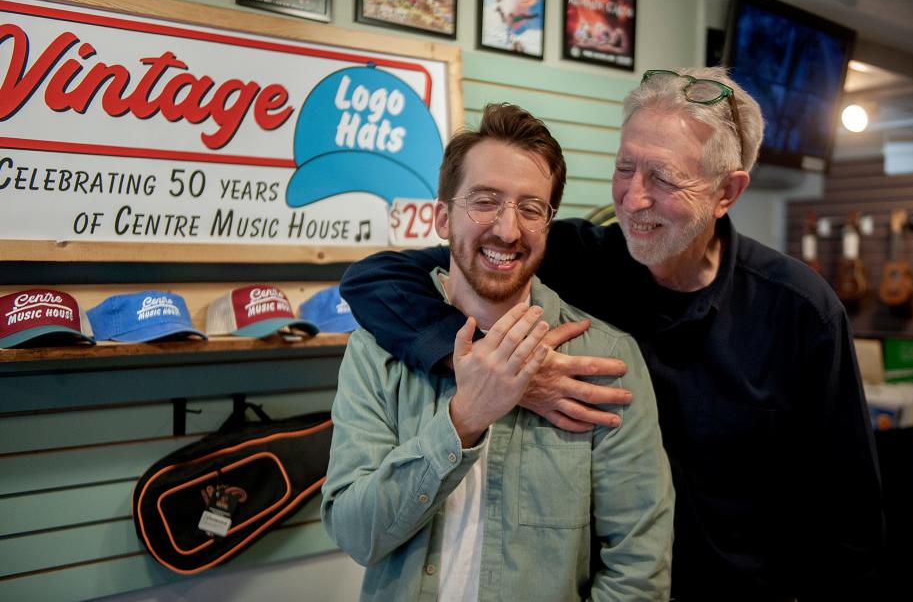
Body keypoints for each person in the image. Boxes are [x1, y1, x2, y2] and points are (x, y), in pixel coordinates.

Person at [339, 68, 885, 600]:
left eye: (664, 178)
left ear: (726, 193)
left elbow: (850, 513)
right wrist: (499, 374)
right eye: (626, 168)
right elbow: (375, 279)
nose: (634, 199)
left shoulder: (800, 312)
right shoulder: (578, 256)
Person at [321, 103, 674, 601]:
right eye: (485, 201)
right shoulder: (375, 352)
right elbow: (357, 535)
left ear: (549, 224)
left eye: (531, 209)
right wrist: (464, 419)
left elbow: (639, 568)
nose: (508, 230)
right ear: (443, 217)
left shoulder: (607, 363)